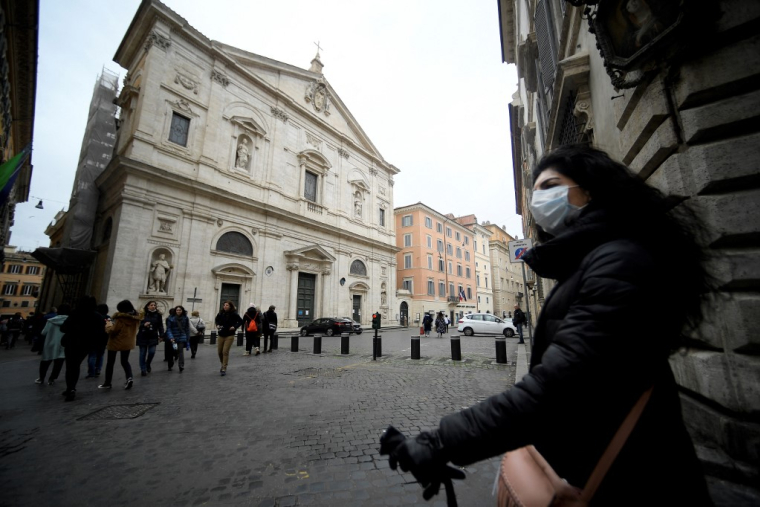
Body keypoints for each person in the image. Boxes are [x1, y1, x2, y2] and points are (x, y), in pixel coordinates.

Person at [379, 144, 713, 505]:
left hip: (636, 483)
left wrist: (440, 442)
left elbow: (558, 391)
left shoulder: (618, 262)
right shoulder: (594, 261)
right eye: (535, 191)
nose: (539, 201)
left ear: (589, 189)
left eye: (550, 185)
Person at [60, 296, 105, 402]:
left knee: (70, 366)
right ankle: (71, 388)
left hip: (72, 342)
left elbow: (63, 328)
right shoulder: (97, 316)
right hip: (86, 344)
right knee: (76, 365)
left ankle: (70, 388)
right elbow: (100, 332)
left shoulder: (74, 313)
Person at [98, 300, 141, 390]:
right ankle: (129, 378)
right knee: (125, 361)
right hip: (128, 342)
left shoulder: (120, 318)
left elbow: (113, 331)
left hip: (116, 342)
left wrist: (108, 325)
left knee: (110, 362)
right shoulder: (136, 318)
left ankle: (107, 383)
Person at [35, 303, 70, 386]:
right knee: (59, 362)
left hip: (50, 343)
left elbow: (44, 332)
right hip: (63, 344)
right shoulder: (70, 321)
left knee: (45, 362)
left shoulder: (51, 320)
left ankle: (41, 378)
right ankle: (52, 379)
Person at [215, 300, 242, 376]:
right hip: (221, 334)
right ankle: (223, 363)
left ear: (230, 306)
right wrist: (217, 325)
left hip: (229, 335)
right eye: (224, 305)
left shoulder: (234, 314)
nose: (225, 306)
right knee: (219, 352)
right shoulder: (221, 313)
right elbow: (216, 320)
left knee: (225, 351)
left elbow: (240, 321)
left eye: (226, 305)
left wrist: (234, 327)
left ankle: (224, 367)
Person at [137, 301, 164, 376]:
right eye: (151, 305)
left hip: (153, 335)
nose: (153, 306)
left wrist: (162, 335)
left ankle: (148, 363)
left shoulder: (158, 315)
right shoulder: (142, 314)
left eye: (154, 305)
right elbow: (137, 324)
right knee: (142, 353)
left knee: (152, 352)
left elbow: (160, 326)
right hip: (143, 335)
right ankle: (143, 369)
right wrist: (143, 325)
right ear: (148, 306)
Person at [86, 304, 110, 378]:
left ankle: (91, 372)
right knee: (100, 355)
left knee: (92, 355)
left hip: (93, 338)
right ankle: (98, 370)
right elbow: (110, 328)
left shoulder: (93, 316)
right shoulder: (108, 318)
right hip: (103, 338)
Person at [165, 305, 190, 372]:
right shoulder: (171, 318)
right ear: (175, 311)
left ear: (182, 311)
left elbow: (187, 328)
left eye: (180, 310)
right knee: (171, 352)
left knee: (180, 351)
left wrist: (187, 338)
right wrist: (171, 337)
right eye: (177, 310)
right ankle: (170, 364)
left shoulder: (185, 318)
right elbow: (169, 329)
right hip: (173, 337)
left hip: (181, 337)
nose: (178, 311)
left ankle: (181, 365)